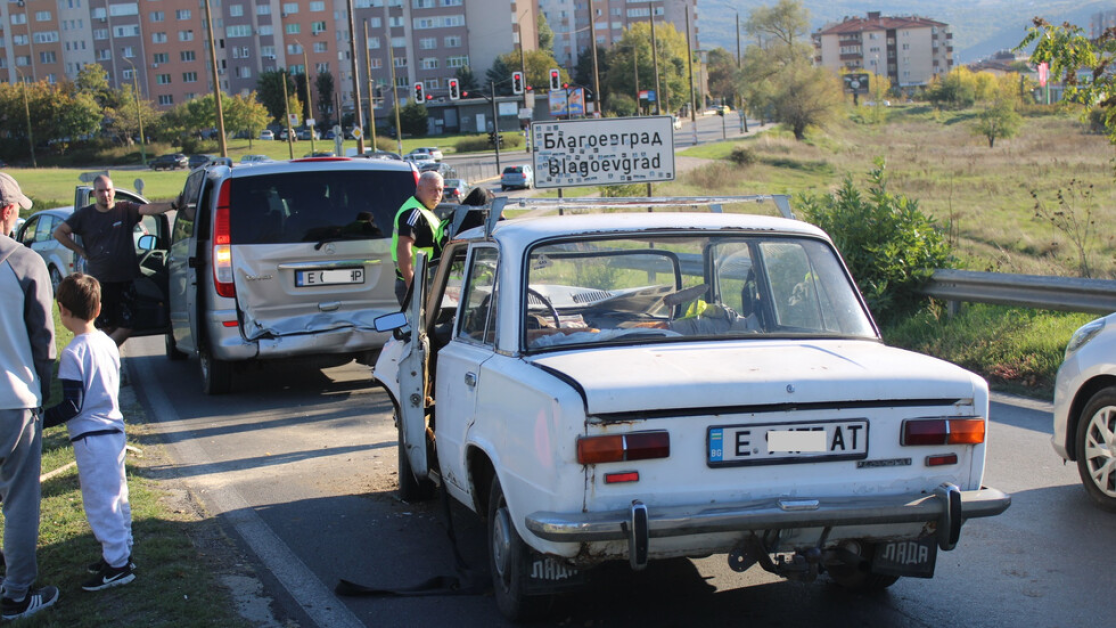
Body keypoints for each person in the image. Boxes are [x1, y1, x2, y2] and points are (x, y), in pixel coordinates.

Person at [42, 273, 135, 592]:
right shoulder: (108, 343)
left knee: (100, 503)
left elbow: (72, 405)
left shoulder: (73, 353)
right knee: (118, 497)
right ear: (98, 310)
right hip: (114, 431)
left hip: (92, 439)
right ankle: (120, 555)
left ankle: (119, 566)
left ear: (62, 310)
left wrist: (39, 419)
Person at [0, 171, 60, 620]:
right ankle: (18, 592)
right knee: (19, 499)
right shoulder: (23, 261)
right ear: (6, 212)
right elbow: (44, 339)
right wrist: (50, 390)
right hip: (14, 397)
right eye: (17, 207)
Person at [53, 174, 177, 346]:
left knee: (128, 325)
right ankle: (109, 359)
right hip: (100, 281)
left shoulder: (125, 210)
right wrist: (80, 251)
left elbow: (148, 209)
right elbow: (59, 233)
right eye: (101, 191)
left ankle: (104, 353)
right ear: (95, 194)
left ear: (114, 191)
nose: (106, 194)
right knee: (105, 326)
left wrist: (172, 204)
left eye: (109, 190)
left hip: (125, 279)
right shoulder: (84, 215)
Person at [392, 171, 444, 305]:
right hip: (414, 284)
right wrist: (412, 288)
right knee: (418, 326)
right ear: (419, 189)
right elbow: (403, 248)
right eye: (432, 190)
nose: (437, 194)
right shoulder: (414, 212)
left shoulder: (425, 210)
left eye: (440, 190)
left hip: (424, 282)